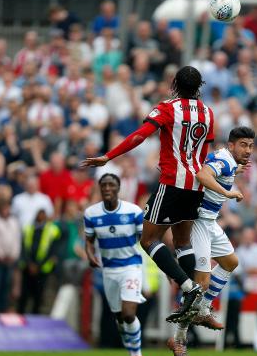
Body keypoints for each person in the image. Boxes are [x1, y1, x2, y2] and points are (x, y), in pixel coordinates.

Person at [82, 66, 215, 322]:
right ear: (199, 86)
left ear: (175, 83)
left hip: (171, 182)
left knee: (147, 240)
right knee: (182, 242)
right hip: (196, 185)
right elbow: (204, 152)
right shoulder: (208, 113)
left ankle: (188, 288)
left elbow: (139, 136)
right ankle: (192, 298)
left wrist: (109, 156)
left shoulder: (167, 107)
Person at [167, 126, 253, 356]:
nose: (248, 150)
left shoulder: (228, 160)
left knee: (230, 262)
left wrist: (237, 169)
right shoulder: (223, 159)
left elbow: (220, 169)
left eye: (251, 146)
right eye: (244, 145)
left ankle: (203, 309)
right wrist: (228, 191)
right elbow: (203, 176)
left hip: (210, 221)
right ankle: (179, 339)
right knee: (201, 283)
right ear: (232, 145)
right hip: (198, 223)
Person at [84, 173, 146, 356]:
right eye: (104, 185)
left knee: (128, 314)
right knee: (120, 317)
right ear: (100, 189)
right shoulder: (91, 214)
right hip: (109, 270)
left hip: (131, 267)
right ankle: (131, 352)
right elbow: (89, 240)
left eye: (111, 185)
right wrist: (90, 254)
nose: (107, 188)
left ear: (119, 189)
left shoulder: (134, 212)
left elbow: (146, 239)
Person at [18, 209, 61, 315]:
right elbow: (24, 247)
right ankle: (21, 315)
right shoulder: (28, 228)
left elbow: (52, 251)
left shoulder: (52, 230)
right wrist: (29, 264)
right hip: (28, 268)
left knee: (38, 296)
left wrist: (38, 266)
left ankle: (35, 318)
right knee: (24, 295)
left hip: (42, 270)